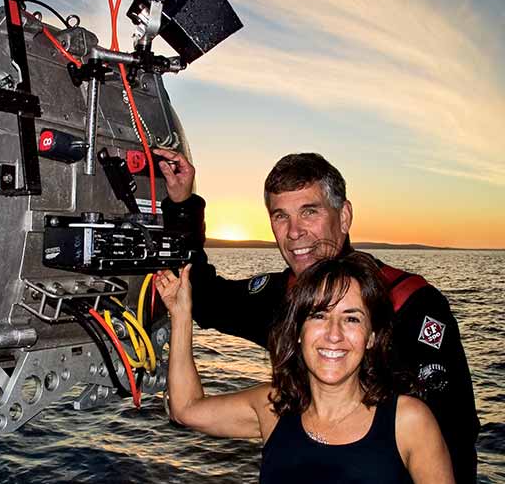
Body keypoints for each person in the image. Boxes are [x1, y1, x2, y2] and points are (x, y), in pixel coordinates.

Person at [153, 150, 478, 482]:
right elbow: (203, 297)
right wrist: (182, 203)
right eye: (281, 216)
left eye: (310, 211)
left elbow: (453, 433)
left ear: (344, 216)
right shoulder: (280, 299)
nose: (294, 232)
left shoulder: (409, 303)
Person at [156, 253, 455, 483]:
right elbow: (186, 409)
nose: (334, 334)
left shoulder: (408, 421)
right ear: (298, 331)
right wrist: (181, 315)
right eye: (319, 316)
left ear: (372, 337)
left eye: (352, 319)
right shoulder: (274, 407)